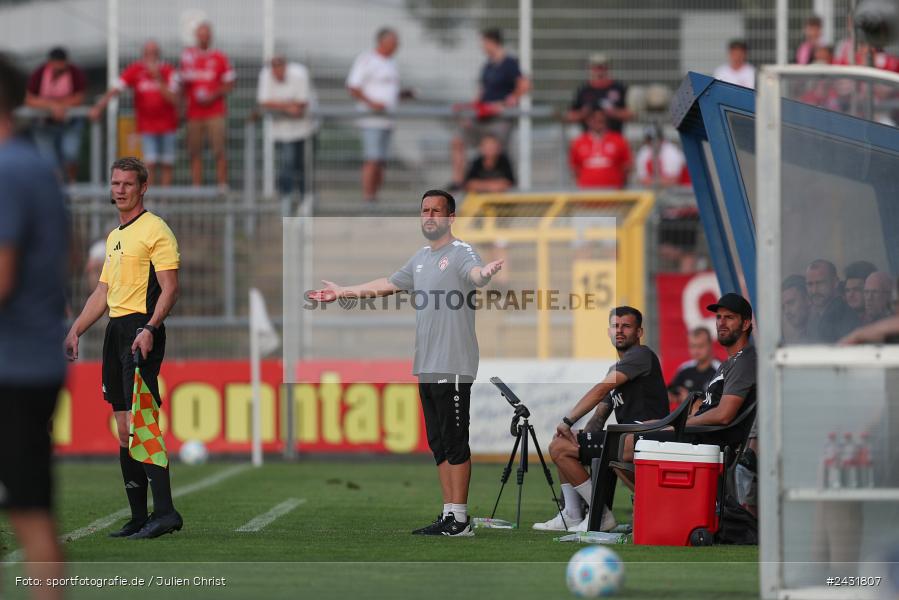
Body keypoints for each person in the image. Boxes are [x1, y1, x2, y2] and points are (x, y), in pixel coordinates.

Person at [308, 190, 503, 537]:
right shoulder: (421, 258)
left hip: (453, 363)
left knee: (455, 442)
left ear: (451, 218)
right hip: (426, 364)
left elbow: (474, 273)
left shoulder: (461, 252)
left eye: (436, 211)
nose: (429, 216)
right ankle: (449, 513)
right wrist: (343, 292)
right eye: (425, 210)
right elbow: (387, 284)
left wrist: (483, 274)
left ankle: (460, 519)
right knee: (439, 444)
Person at [64, 157, 182, 539]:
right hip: (116, 330)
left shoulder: (156, 229)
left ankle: (165, 513)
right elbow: (103, 291)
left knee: (141, 424)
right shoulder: (114, 237)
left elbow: (170, 289)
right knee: (123, 429)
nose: (120, 190)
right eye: (115, 183)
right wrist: (76, 330)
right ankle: (138, 516)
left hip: (140, 330)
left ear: (143, 187)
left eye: (127, 184)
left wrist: (150, 328)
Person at [0, 52, 68, 600]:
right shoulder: (34, 164)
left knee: (29, 515)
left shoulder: (7, 169)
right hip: (31, 361)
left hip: (11, 366)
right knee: (31, 512)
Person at [533, 306, 669, 533]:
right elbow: (599, 416)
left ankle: (601, 515)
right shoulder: (616, 368)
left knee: (561, 447)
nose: (620, 331)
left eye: (626, 326)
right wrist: (578, 440)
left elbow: (600, 390)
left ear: (639, 332)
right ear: (609, 332)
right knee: (562, 443)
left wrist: (567, 421)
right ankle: (573, 514)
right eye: (615, 326)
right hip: (623, 438)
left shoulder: (641, 355)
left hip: (646, 438)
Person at [616, 294, 757, 492]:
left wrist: (678, 424)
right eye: (719, 317)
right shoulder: (729, 362)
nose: (721, 323)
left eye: (729, 317)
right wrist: (666, 422)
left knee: (626, 443)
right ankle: (658, 502)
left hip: (708, 440)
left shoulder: (744, 360)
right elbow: (704, 406)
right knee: (627, 436)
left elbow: (724, 415)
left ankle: (658, 502)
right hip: (698, 434)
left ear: (746, 324)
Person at [90, 40, 178, 186]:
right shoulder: (136, 70)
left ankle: (165, 196)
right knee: (150, 163)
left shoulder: (168, 71)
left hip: (168, 124)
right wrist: (99, 106)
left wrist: (158, 78)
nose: (151, 57)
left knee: (167, 163)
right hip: (147, 125)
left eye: (154, 53)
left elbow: (174, 99)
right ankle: (150, 195)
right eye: (148, 53)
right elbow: (116, 89)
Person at [450, 28, 530, 189]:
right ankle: (458, 181)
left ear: (492, 42)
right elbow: (481, 93)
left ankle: (506, 184)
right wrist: (469, 110)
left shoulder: (509, 63)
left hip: (499, 119)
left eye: (484, 43)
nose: (482, 47)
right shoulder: (487, 66)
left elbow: (524, 85)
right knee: (458, 140)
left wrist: (505, 103)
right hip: (482, 117)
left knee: (495, 151)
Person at [347, 28, 410, 203]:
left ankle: (375, 196)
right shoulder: (367, 59)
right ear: (383, 42)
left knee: (381, 161)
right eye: (394, 42)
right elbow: (353, 86)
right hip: (372, 119)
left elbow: (390, 92)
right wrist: (372, 104)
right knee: (372, 159)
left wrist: (404, 95)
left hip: (388, 120)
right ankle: (368, 197)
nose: (397, 45)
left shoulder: (391, 62)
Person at [180, 21, 235, 188]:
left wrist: (213, 95)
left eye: (206, 34)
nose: (203, 38)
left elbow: (230, 84)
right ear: (196, 36)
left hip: (215, 112)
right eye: (200, 34)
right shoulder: (188, 56)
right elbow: (182, 83)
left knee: (219, 150)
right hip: (194, 113)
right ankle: (197, 188)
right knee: (194, 151)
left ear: (210, 37)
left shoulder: (220, 57)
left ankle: (222, 186)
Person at [257, 54, 317, 199]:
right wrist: (287, 107)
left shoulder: (299, 74)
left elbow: (302, 103)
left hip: (305, 128)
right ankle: (286, 198)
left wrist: (278, 105)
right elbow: (264, 102)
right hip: (282, 129)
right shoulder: (266, 75)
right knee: (287, 163)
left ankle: (304, 197)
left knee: (303, 165)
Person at [25, 46, 87, 182]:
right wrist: (52, 106)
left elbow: (79, 98)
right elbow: (29, 99)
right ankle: (55, 186)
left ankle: (71, 184)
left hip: (69, 122)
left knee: (71, 154)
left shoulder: (75, 73)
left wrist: (58, 106)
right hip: (43, 124)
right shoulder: (39, 73)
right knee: (48, 160)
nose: (58, 68)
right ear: (50, 62)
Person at [566, 53, 632, 132]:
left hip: (614, 136)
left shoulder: (618, 88)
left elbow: (630, 114)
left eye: (602, 67)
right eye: (595, 67)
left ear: (607, 68)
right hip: (589, 137)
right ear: (590, 68)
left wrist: (613, 112)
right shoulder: (584, 90)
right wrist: (584, 113)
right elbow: (570, 116)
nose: (599, 70)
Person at [569, 109, 632, 189]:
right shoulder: (579, 142)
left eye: (601, 120)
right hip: (586, 192)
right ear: (588, 121)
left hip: (613, 191)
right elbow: (575, 168)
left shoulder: (618, 140)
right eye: (594, 119)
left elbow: (626, 165)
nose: (598, 122)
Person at [805, 259, 860, 342]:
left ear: (835, 282)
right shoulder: (814, 319)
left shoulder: (845, 319)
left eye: (820, 283)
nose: (814, 290)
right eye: (810, 284)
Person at [668, 327, 721, 403]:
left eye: (700, 346)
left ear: (710, 345)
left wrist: (690, 400)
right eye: (692, 346)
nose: (696, 351)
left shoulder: (720, 370)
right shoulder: (684, 369)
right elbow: (670, 393)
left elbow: (722, 404)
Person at [781, 274, 811, 343]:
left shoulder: (824, 334)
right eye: (783, 307)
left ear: (807, 299)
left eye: (791, 303)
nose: (786, 311)